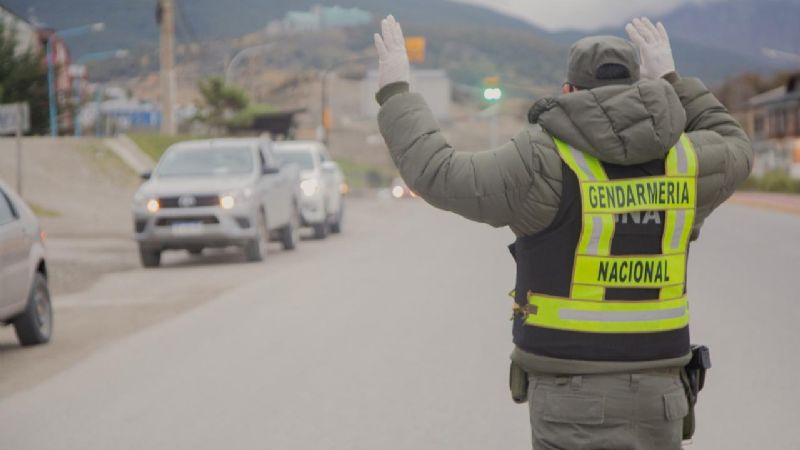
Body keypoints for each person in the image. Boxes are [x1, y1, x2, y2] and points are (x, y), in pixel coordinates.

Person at [373, 15, 752, 450]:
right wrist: (672, 78)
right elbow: (736, 143)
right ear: (640, 87)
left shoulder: (541, 159)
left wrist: (396, 92)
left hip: (571, 404)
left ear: (568, 92)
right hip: (661, 401)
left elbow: (439, 173)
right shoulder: (686, 161)